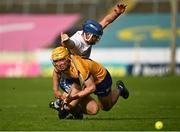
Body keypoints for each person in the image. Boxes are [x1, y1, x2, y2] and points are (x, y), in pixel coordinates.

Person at [49, 3, 127, 119]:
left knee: (106, 106)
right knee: (73, 97)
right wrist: (66, 41)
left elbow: (105, 21)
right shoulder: (78, 41)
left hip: (93, 75)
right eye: (95, 37)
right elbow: (71, 43)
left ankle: (119, 89)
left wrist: (116, 13)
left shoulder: (89, 33)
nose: (96, 39)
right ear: (88, 34)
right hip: (78, 70)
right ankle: (70, 109)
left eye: (97, 37)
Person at [50, 47, 129, 119]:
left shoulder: (79, 68)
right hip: (80, 82)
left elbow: (91, 88)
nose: (59, 64)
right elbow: (56, 72)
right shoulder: (61, 66)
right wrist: (56, 90)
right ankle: (76, 113)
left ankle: (119, 88)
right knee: (93, 109)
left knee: (106, 107)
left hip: (100, 80)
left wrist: (72, 98)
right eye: (56, 61)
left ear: (68, 58)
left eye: (62, 59)